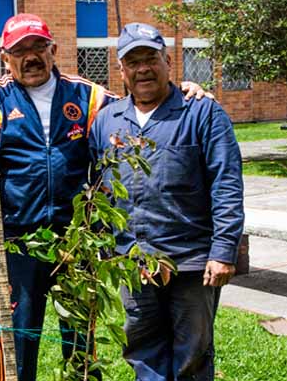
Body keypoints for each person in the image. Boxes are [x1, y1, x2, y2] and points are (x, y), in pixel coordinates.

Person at [0, 13, 210, 381]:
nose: (31, 57)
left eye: (38, 47)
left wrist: (184, 88)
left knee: (78, 337)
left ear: (53, 49)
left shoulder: (86, 95)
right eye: (20, 51)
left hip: (77, 243)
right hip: (18, 242)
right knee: (17, 337)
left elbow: (137, 100)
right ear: (5, 58)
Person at [89, 23, 244, 381]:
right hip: (133, 262)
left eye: (150, 58)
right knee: (143, 353)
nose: (143, 68)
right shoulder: (108, 121)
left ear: (168, 61)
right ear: (122, 70)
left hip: (190, 263)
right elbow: (97, 187)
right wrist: (103, 246)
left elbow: (227, 184)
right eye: (133, 61)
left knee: (193, 356)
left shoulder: (202, 113)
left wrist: (223, 252)